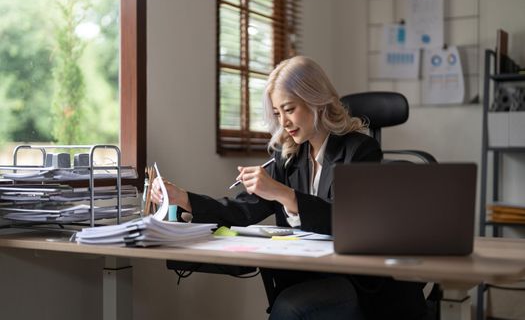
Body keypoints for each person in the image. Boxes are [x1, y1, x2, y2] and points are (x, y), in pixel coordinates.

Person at [151, 56, 427, 319]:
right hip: (309, 276)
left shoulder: (361, 150)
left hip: (356, 283)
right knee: (292, 303)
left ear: (316, 101)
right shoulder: (289, 157)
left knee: (292, 307)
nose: (283, 122)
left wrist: (282, 194)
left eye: (289, 109)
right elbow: (240, 211)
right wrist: (184, 198)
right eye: (276, 113)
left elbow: (347, 220)